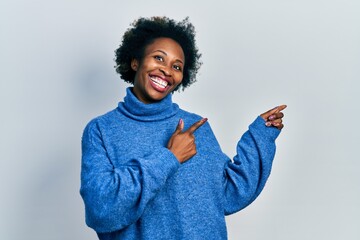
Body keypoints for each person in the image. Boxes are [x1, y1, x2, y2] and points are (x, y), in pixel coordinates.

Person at [80, 16, 286, 240]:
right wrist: (169, 157)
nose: (167, 70)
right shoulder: (102, 130)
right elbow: (102, 209)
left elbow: (228, 194)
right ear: (135, 61)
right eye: (159, 58)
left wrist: (260, 136)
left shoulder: (195, 127)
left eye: (176, 66)